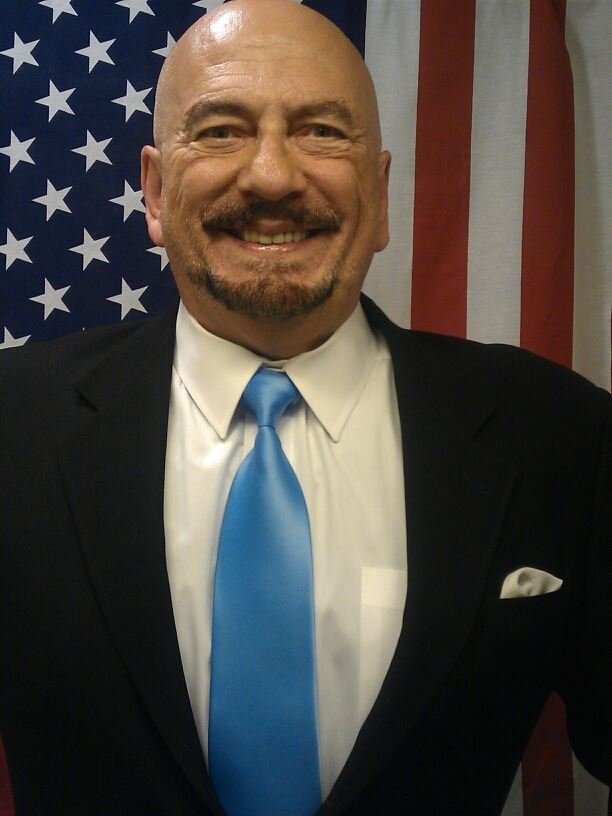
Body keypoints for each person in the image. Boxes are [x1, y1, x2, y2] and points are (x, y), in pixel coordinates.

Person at [0, 1, 610, 814]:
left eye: (322, 131)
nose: (272, 176)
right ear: (155, 191)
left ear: (381, 195)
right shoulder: (12, 425)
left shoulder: (558, 433)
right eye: (221, 130)